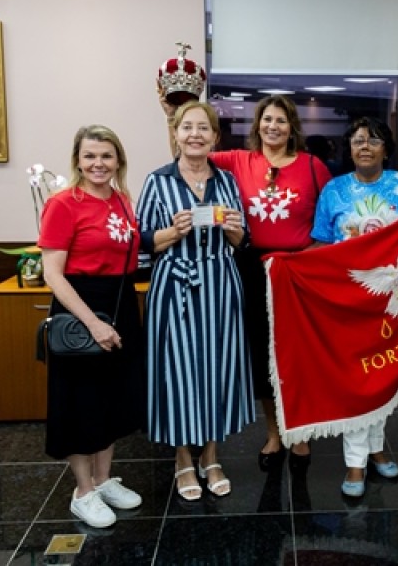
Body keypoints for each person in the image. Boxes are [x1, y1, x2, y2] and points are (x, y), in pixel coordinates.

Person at [159, 90, 332, 474]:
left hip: (298, 270)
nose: (273, 126)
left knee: (298, 356)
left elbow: (331, 215)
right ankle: (273, 432)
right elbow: (187, 155)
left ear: (292, 127)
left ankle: (299, 431)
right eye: (267, 119)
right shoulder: (237, 161)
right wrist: (173, 115)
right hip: (249, 268)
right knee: (262, 354)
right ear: (257, 125)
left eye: (281, 120)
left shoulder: (313, 166)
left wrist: (315, 257)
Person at [138, 100, 254, 501]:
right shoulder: (158, 181)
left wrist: (235, 230)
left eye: (203, 128)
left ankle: (211, 456)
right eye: (187, 127)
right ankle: (183, 458)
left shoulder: (227, 182)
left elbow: (243, 241)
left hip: (221, 282)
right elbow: (142, 244)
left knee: (218, 370)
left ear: (215, 137)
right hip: (174, 285)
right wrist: (173, 232)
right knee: (178, 373)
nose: (195, 135)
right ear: (175, 134)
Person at [39, 124, 145, 529]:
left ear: (118, 160)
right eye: (90, 156)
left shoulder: (122, 199)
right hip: (81, 308)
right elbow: (53, 274)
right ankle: (83, 492)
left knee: (112, 398)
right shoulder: (63, 204)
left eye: (106, 156)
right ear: (78, 161)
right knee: (80, 402)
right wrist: (93, 324)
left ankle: (103, 480)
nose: (98, 163)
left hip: (120, 303)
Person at [310, 116, 398, 497]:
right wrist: (291, 269)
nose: (364, 146)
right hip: (349, 300)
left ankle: (375, 448)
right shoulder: (334, 191)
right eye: (357, 140)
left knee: (383, 377)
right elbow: (321, 245)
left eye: (373, 140)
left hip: (393, 299)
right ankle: (355, 462)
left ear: (386, 149)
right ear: (349, 149)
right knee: (356, 381)